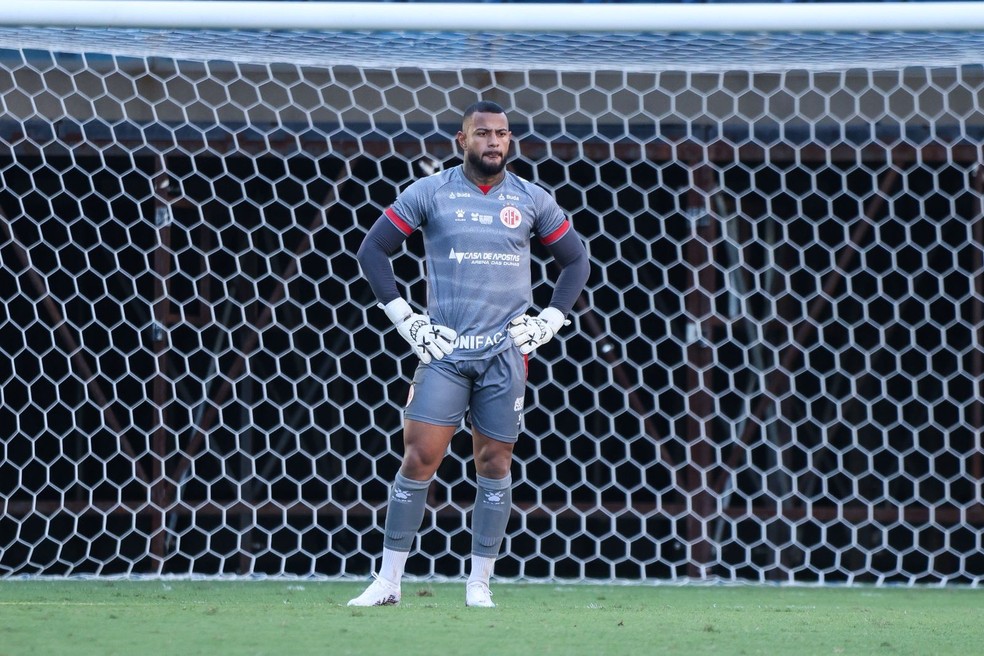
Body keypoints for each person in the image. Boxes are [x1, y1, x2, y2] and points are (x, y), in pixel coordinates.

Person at [349, 100, 590, 608]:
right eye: (483, 133)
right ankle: (388, 582)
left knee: (495, 462)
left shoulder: (530, 199)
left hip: (505, 352)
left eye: (502, 134)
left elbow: (576, 261)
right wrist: (405, 318)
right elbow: (373, 250)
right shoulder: (430, 192)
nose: (494, 142)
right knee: (418, 457)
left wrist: (551, 318)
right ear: (462, 140)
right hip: (446, 349)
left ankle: (479, 584)